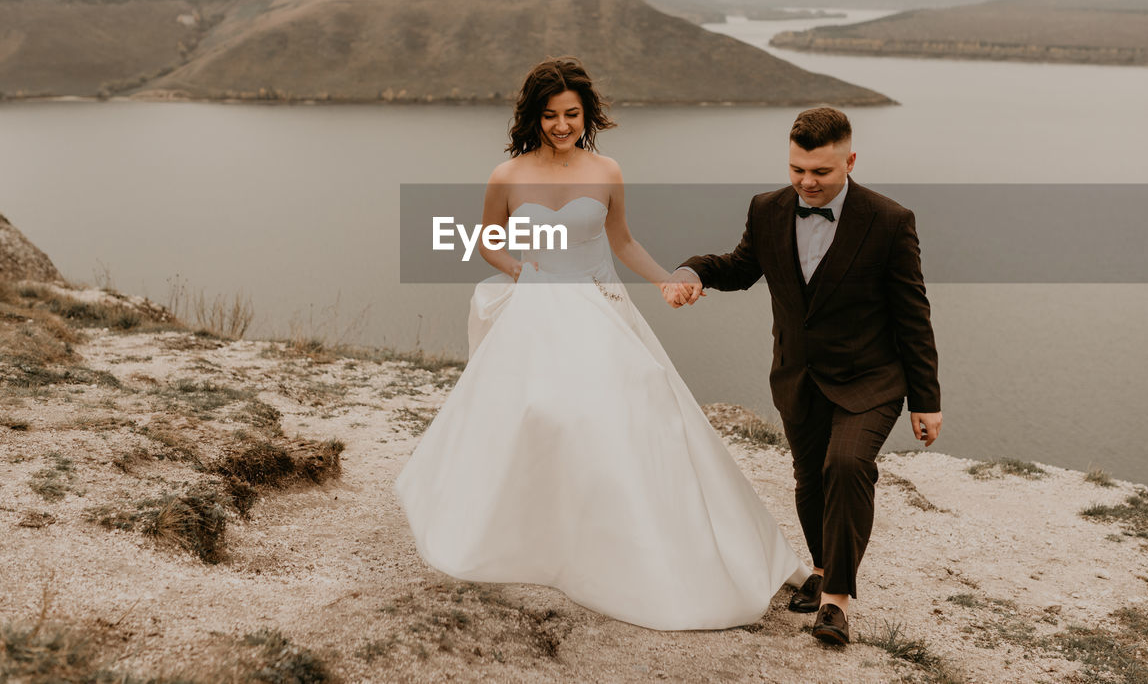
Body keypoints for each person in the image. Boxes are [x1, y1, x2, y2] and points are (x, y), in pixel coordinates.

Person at [395, 57, 809, 631]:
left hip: (600, 307)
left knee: (642, 407)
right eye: (550, 115)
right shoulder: (507, 176)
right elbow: (487, 243)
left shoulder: (607, 171)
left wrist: (669, 279)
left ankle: (637, 539)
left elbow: (623, 242)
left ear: (586, 114)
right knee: (546, 413)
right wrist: (523, 272)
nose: (561, 125)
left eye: (571, 113)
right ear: (533, 118)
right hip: (537, 306)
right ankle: (540, 535)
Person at [664, 106, 942, 646]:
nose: (806, 183)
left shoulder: (889, 221)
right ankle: (819, 568)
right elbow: (743, 266)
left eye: (820, 172)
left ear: (850, 161)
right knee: (810, 476)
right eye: (797, 170)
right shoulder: (767, 209)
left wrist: (925, 399)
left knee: (847, 464)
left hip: (872, 378)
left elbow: (913, 314)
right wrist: (693, 270)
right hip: (798, 374)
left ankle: (835, 600)